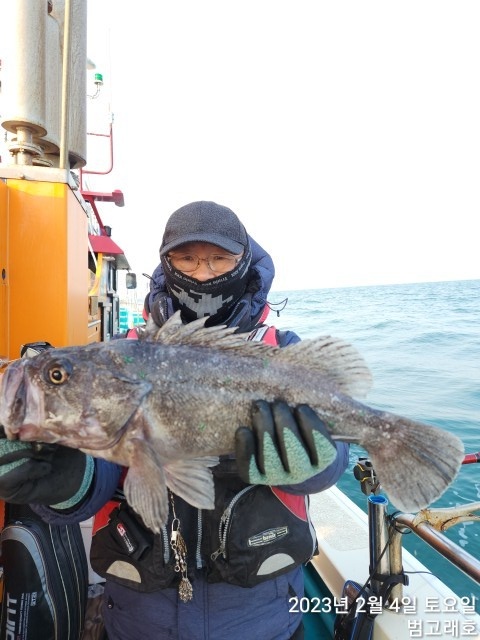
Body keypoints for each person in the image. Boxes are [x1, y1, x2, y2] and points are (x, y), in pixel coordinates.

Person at [0, 201, 349, 640]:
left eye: (219, 258)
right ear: (165, 263)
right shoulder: (124, 353)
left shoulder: (283, 351)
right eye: (187, 258)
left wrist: (309, 458)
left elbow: (335, 456)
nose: (202, 273)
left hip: (263, 618)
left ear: (245, 261)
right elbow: (100, 480)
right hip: (139, 620)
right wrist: (67, 481)